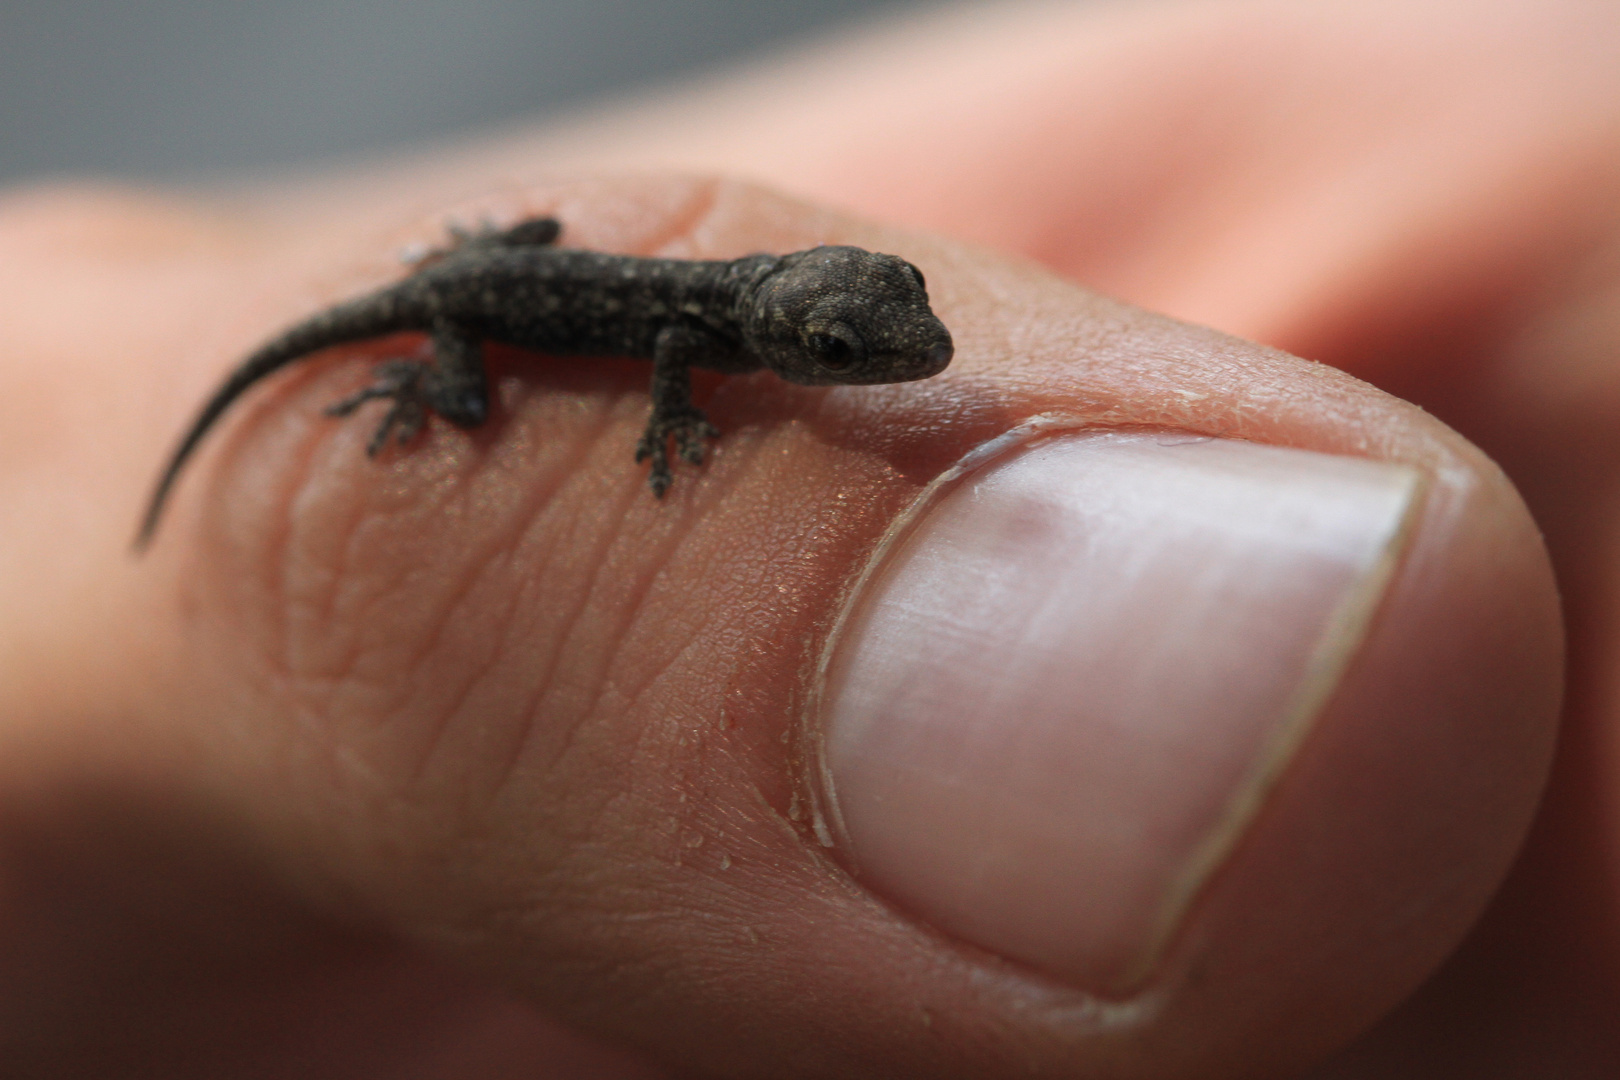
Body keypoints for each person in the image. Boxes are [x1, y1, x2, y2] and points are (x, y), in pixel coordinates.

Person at [0, 0, 1610, 1074]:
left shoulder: (715, 313)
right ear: (782, 335)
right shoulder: (690, 334)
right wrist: (623, 411)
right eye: (854, 354)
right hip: (460, 304)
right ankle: (421, 390)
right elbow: (662, 365)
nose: (895, 356)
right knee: (465, 426)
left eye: (874, 336)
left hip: (502, 271)